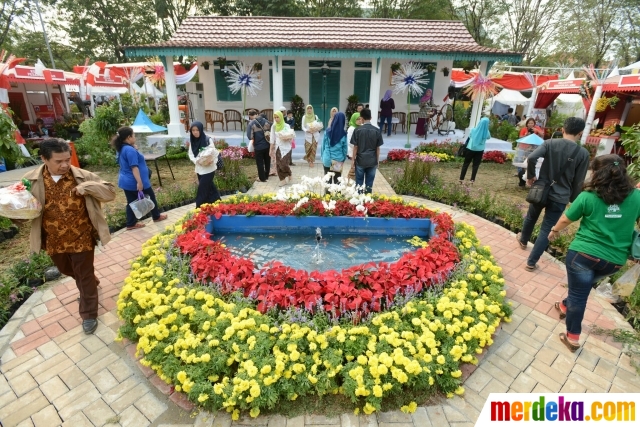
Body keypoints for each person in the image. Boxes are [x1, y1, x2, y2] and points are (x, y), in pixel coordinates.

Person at [21, 139, 116, 334]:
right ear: (44, 159)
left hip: (82, 236)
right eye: (59, 161)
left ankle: (89, 314)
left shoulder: (81, 176)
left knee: (84, 274)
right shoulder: (31, 180)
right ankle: (90, 283)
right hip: (53, 240)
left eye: (67, 159)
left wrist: (87, 187)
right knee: (66, 269)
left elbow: (110, 193)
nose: (65, 165)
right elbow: (21, 207)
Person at [548, 154, 640, 352]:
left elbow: (566, 219)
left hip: (583, 255)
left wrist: (554, 231)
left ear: (598, 173)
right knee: (581, 288)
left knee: (579, 295)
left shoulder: (588, 196)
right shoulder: (637, 197)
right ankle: (564, 306)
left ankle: (572, 336)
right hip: (614, 261)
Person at [516, 117, 590, 271]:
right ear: (581, 133)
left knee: (531, 217)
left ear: (563, 129)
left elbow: (533, 157)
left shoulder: (550, 143)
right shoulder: (583, 153)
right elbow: (579, 181)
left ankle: (523, 240)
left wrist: (530, 176)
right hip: (561, 196)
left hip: (541, 190)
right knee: (547, 228)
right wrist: (574, 200)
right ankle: (531, 262)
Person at [112, 127, 167, 230]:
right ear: (128, 137)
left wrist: (133, 148)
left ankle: (130, 223)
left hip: (126, 181)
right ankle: (156, 216)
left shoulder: (122, 148)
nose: (135, 137)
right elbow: (134, 167)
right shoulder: (129, 150)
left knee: (131, 202)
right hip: (134, 181)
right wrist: (139, 182)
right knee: (150, 197)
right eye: (133, 135)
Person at [187, 121, 222, 208]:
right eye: (193, 130)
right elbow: (191, 154)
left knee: (202, 188)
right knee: (209, 186)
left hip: (209, 169)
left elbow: (214, 152)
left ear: (201, 130)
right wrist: (197, 161)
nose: (195, 132)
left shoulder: (207, 140)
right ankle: (217, 202)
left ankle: (198, 207)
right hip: (200, 169)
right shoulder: (193, 142)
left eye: (197, 130)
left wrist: (210, 160)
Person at [352, 108, 383, 193]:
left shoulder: (357, 130)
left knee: (359, 184)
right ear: (371, 118)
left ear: (361, 118)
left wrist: (352, 160)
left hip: (360, 160)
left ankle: (359, 204)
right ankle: (367, 203)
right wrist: (377, 161)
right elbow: (378, 148)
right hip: (372, 160)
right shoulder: (377, 130)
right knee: (369, 185)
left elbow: (355, 147)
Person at [459, 117, 491, 183]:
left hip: (470, 148)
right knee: (475, 165)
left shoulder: (473, 130)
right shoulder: (487, 132)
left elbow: (470, 137)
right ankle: (472, 180)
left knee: (466, 164)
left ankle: (461, 179)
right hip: (480, 150)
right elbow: (488, 137)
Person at [321, 111, 348, 185]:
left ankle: (327, 196)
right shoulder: (344, 134)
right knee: (337, 181)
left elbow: (323, 146)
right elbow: (345, 149)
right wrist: (343, 158)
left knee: (327, 181)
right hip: (338, 160)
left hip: (327, 159)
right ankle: (337, 196)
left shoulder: (327, 132)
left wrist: (323, 157)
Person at [247, 110, 271, 182]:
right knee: (267, 161)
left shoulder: (251, 124)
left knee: (260, 162)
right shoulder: (266, 121)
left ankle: (262, 178)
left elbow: (250, 137)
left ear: (250, 115)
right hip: (267, 145)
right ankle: (266, 176)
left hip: (258, 146)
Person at [271, 111, 293, 186]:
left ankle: (289, 172)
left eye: (277, 117)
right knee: (278, 164)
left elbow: (291, 135)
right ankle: (282, 180)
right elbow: (272, 138)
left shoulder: (286, 126)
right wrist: (271, 149)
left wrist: (287, 138)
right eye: (275, 117)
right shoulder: (274, 126)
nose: (276, 119)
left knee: (283, 164)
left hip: (286, 147)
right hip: (278, 147)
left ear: (281, 117)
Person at [346, 112, 362, 182]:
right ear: (353, 119)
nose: (359, 121)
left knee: (356, 167)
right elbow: (350, 142)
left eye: (360, 119)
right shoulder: (351, 129)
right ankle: (351, 180)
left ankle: (352, 180)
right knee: (354, 166)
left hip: (359, 150)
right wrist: (358, 147)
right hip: (353, 150)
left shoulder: (361, 127)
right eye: (357, 119)